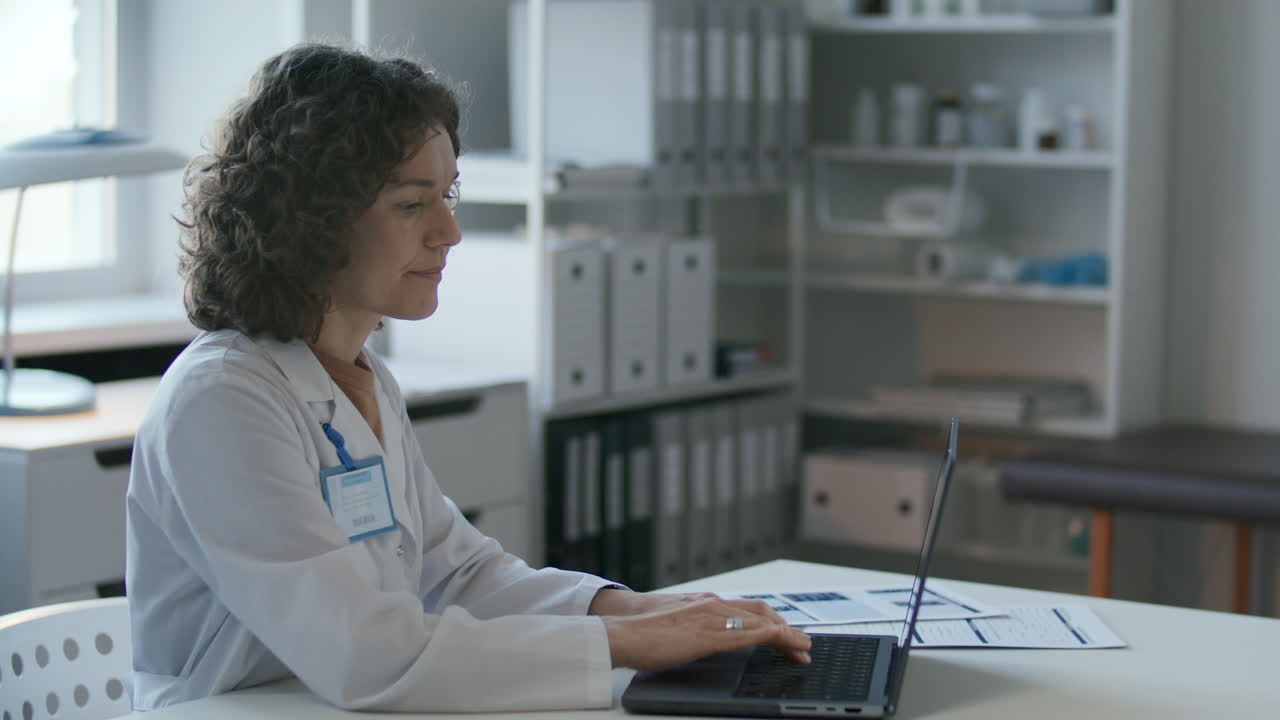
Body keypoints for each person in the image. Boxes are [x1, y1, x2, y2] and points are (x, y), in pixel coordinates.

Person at [125, 43, 810, 713]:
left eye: (447, 195)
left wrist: (640, 610)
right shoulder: (222, 400)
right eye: (411, 204)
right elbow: (367, 654)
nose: (449, 232)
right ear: (311, 219)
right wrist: (628, 643)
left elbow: (456, 573)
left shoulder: (361, 378)